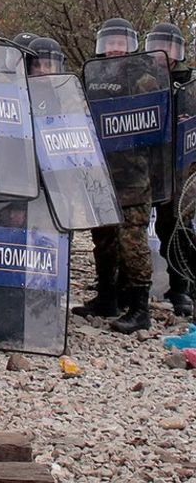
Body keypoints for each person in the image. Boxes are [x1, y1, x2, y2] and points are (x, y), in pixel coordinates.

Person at [74, 18, 158, 333]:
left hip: (134, 175)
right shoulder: (94, 80)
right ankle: (107, 297)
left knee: (132, 241)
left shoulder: (144, 79)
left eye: (119, 42)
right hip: (101, 171)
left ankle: (140, 308)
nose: (113, 49)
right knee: (103, 238)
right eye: (109, 42)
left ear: (130, 45)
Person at [146, 22, 195, 317]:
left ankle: (181, 287)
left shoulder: (189, 84)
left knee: (175, 226)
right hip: (147, 165)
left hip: (180, 169)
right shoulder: (139, 79)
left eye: (169, 47)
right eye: (156, 46)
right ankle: (127, 287)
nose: (163, 54)